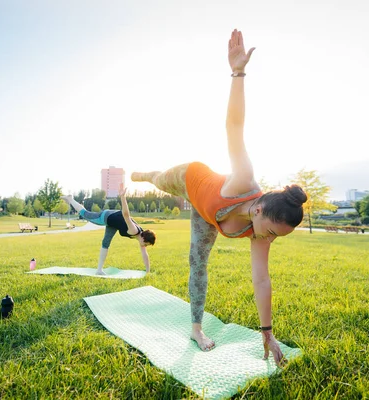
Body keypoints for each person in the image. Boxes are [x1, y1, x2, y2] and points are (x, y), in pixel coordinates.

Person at [131, 29, 307, 366]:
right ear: (258, 208)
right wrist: (238, 73)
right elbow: (234, 128)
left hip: (204, 214)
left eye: (274, 237)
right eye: (269, 232)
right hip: (189, 178)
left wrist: (267, 330)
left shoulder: (260, 232)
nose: (265, 239)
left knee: (198, 263)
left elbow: (261, 279)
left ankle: (196, 328)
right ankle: (145, 174)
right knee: (158, 180)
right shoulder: (244, 179)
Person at [61, 187, 156, 275]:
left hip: (114, 223)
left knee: (105, 242)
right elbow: (126, 215)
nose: (145, 246)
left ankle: (99, 270)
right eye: (146, 244)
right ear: (143, 238)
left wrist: (148, 272)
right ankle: (70, 199)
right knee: (85, 214)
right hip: (107, 217)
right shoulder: (134, 230)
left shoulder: (141, 237)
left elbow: (145, 255)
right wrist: (123, 197)